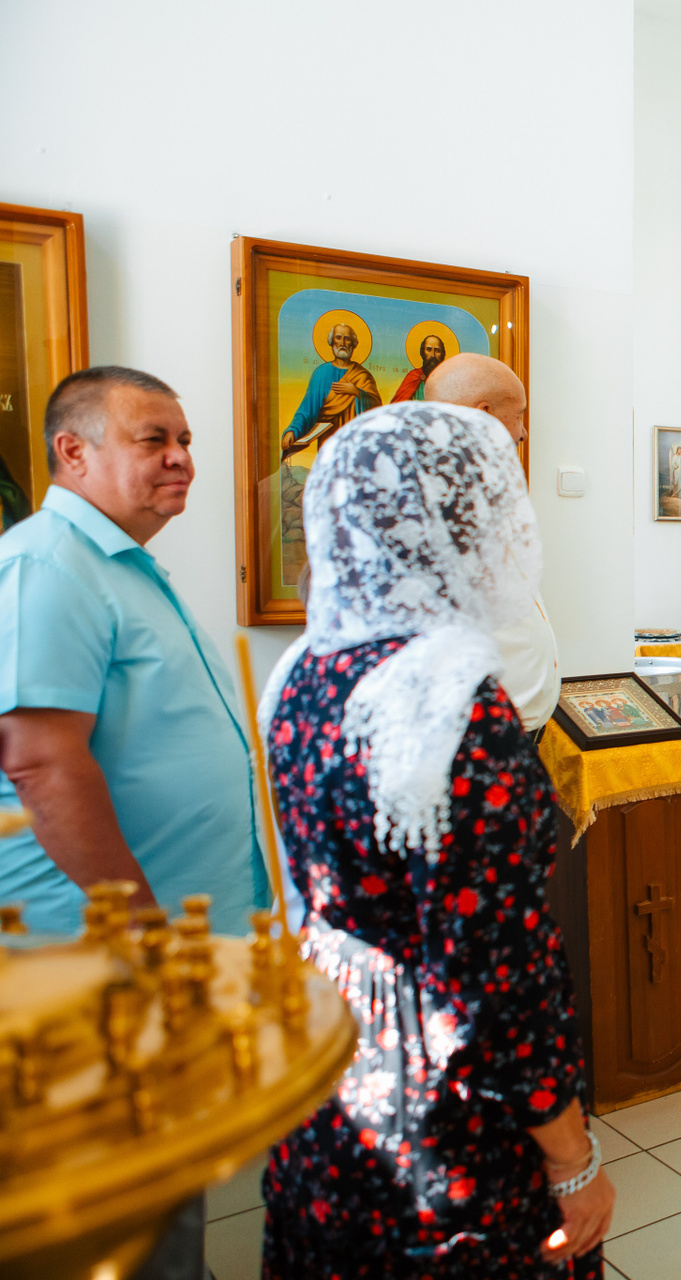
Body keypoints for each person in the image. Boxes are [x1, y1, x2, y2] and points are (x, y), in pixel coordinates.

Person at [257, 401, 613, 1277]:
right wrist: (571, 1157)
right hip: (439, 1101)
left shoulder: (307, 671)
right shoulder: (452, 706)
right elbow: (497, 970)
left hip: (326, 1060)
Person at [0, 366, 269, 935]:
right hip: (106, 938)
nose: (181, 458)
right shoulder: (44, 565)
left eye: (185, 440)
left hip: (192, 928)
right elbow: (40, 763)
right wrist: (144, 929)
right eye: (154, 440)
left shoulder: (116, 565)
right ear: (73, 451)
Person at [424, 352, 560, 733]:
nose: (523, 432)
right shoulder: (426, 499)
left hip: (509, 730)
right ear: (484, 415)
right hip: (474, 736)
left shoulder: (481, 485)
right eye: (519, 415)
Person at [280, 321, 381, 462]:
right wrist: (293, 430)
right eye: (338, 337)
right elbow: (307, 409)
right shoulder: (321, 373)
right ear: (332, 342)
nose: (342, 343)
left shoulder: (363, 375)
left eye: (347, 338)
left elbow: (377, 410)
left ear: (353, 344)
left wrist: (357, 392)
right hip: (329, 442)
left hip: (356, 443)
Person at [388, 333, 447, 403]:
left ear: (442, 354)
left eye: (437, 351)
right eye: (429, 349)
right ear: (423, 352)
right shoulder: (413, 376)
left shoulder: (447, 380)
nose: (433, 355)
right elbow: (398, 405)